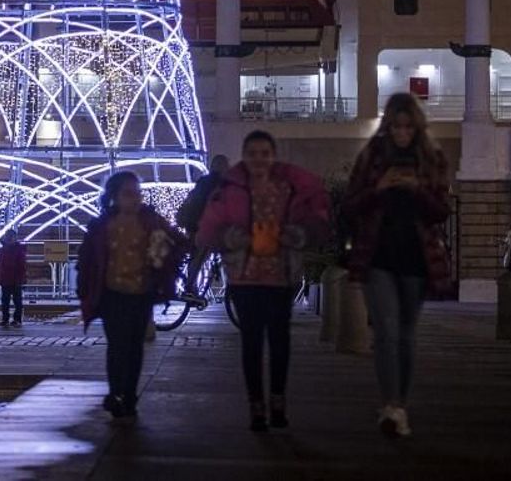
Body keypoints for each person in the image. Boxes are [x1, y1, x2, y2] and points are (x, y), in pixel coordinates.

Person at [196, 130, 330, 431]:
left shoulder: (289, 186)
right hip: (245, 277)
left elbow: (313, 221)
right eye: (253, 153)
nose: (259, 159)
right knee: (252, 342)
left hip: (281, 275)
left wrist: (294, 235)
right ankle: (257, 405)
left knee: (280, 341)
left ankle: (278, 400)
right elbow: (211, 227)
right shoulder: (230, 188)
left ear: (273, 155)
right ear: (244, 156)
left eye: (264, 153)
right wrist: (236, 238)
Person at [343, 93, 452, 439]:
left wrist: (417, 189)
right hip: (378, 256)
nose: (402, 133)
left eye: (407, 127)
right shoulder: (371, 157)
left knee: (406, 335)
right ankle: (390, 404)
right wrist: (380, 188)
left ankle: (399, 404)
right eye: (396, 127)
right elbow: (350, 206)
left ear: (416, 128)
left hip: (417, 258)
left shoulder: (431, 160)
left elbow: (441, 211)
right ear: (387, 127)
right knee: (387, 332)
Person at [76, 170, 187, 421]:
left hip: (141, 293)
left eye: (137, 193)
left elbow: (179, 242)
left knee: (134, 346)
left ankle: (129, 395)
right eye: (128, 193)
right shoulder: (101, 225)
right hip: (112, 295)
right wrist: (85, 290)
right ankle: (117, 393)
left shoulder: (150, 220)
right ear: (114, 196)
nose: (135, 198)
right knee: (117, 345)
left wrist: (163, 260)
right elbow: (87, 260)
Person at [176, 153, 231, 304]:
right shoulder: (218, 183)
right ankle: (189, 288)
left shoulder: (205, 182)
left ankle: (191, 287)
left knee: (199, 256)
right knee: (202, 254)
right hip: (201, 227)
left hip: (194, 225)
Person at [0, 228, 28, 328]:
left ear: (15, 238)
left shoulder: (18, 251)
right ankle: (6, 318)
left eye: (11, 237)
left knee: (17, 301)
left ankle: (16, 319)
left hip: (15, 279)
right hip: (5, 279)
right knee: (5, 300)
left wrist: (22, 279)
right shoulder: (1, 251)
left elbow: (22, 266)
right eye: (8, 237)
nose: (9, 239)